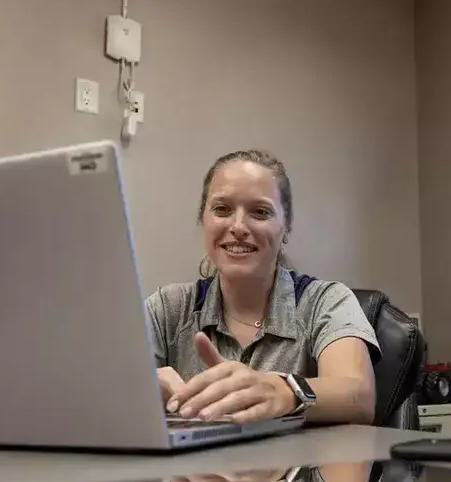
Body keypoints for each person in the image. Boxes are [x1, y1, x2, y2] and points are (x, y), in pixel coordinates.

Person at [145, 149, 378, 425]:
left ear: (286, 225)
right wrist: (140, 392)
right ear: (203, 219)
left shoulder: (326, 301)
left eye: (260, 212)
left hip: (300, 468)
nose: (239, 226)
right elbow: (95, 390)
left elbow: (359, 395)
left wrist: (283, 391)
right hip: (191, 469)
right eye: (222, 209)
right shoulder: (167, 308)